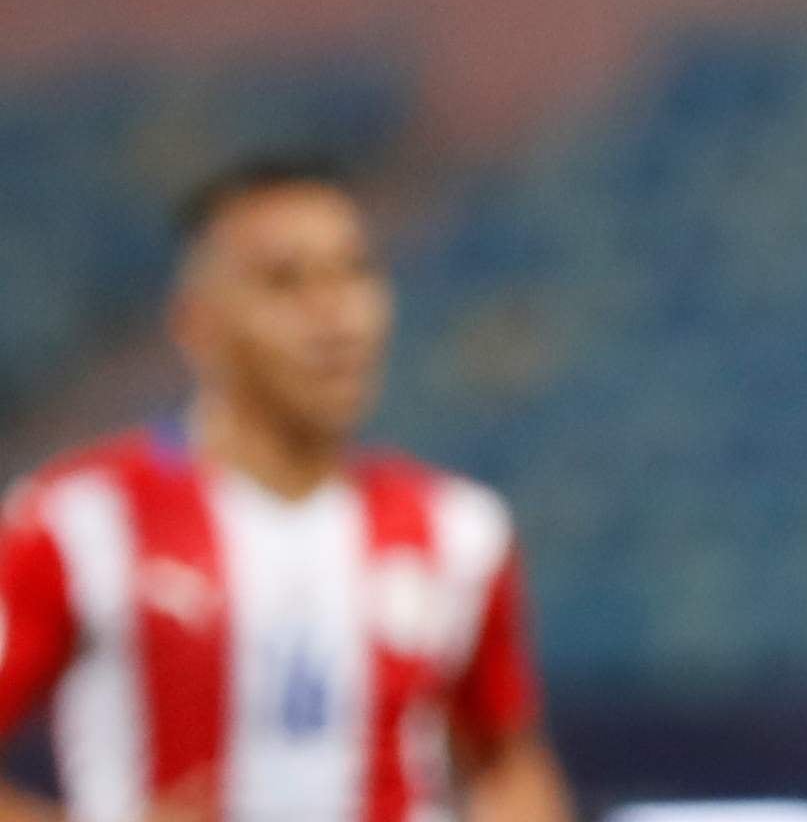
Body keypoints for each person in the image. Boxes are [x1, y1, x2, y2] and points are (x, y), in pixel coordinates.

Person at [0, 158, 575, 822]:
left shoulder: (459, 529)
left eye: (355, 273)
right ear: (198, 325)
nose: (336, 316)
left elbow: (507, 763)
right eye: (285, 282)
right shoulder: (76, 522)